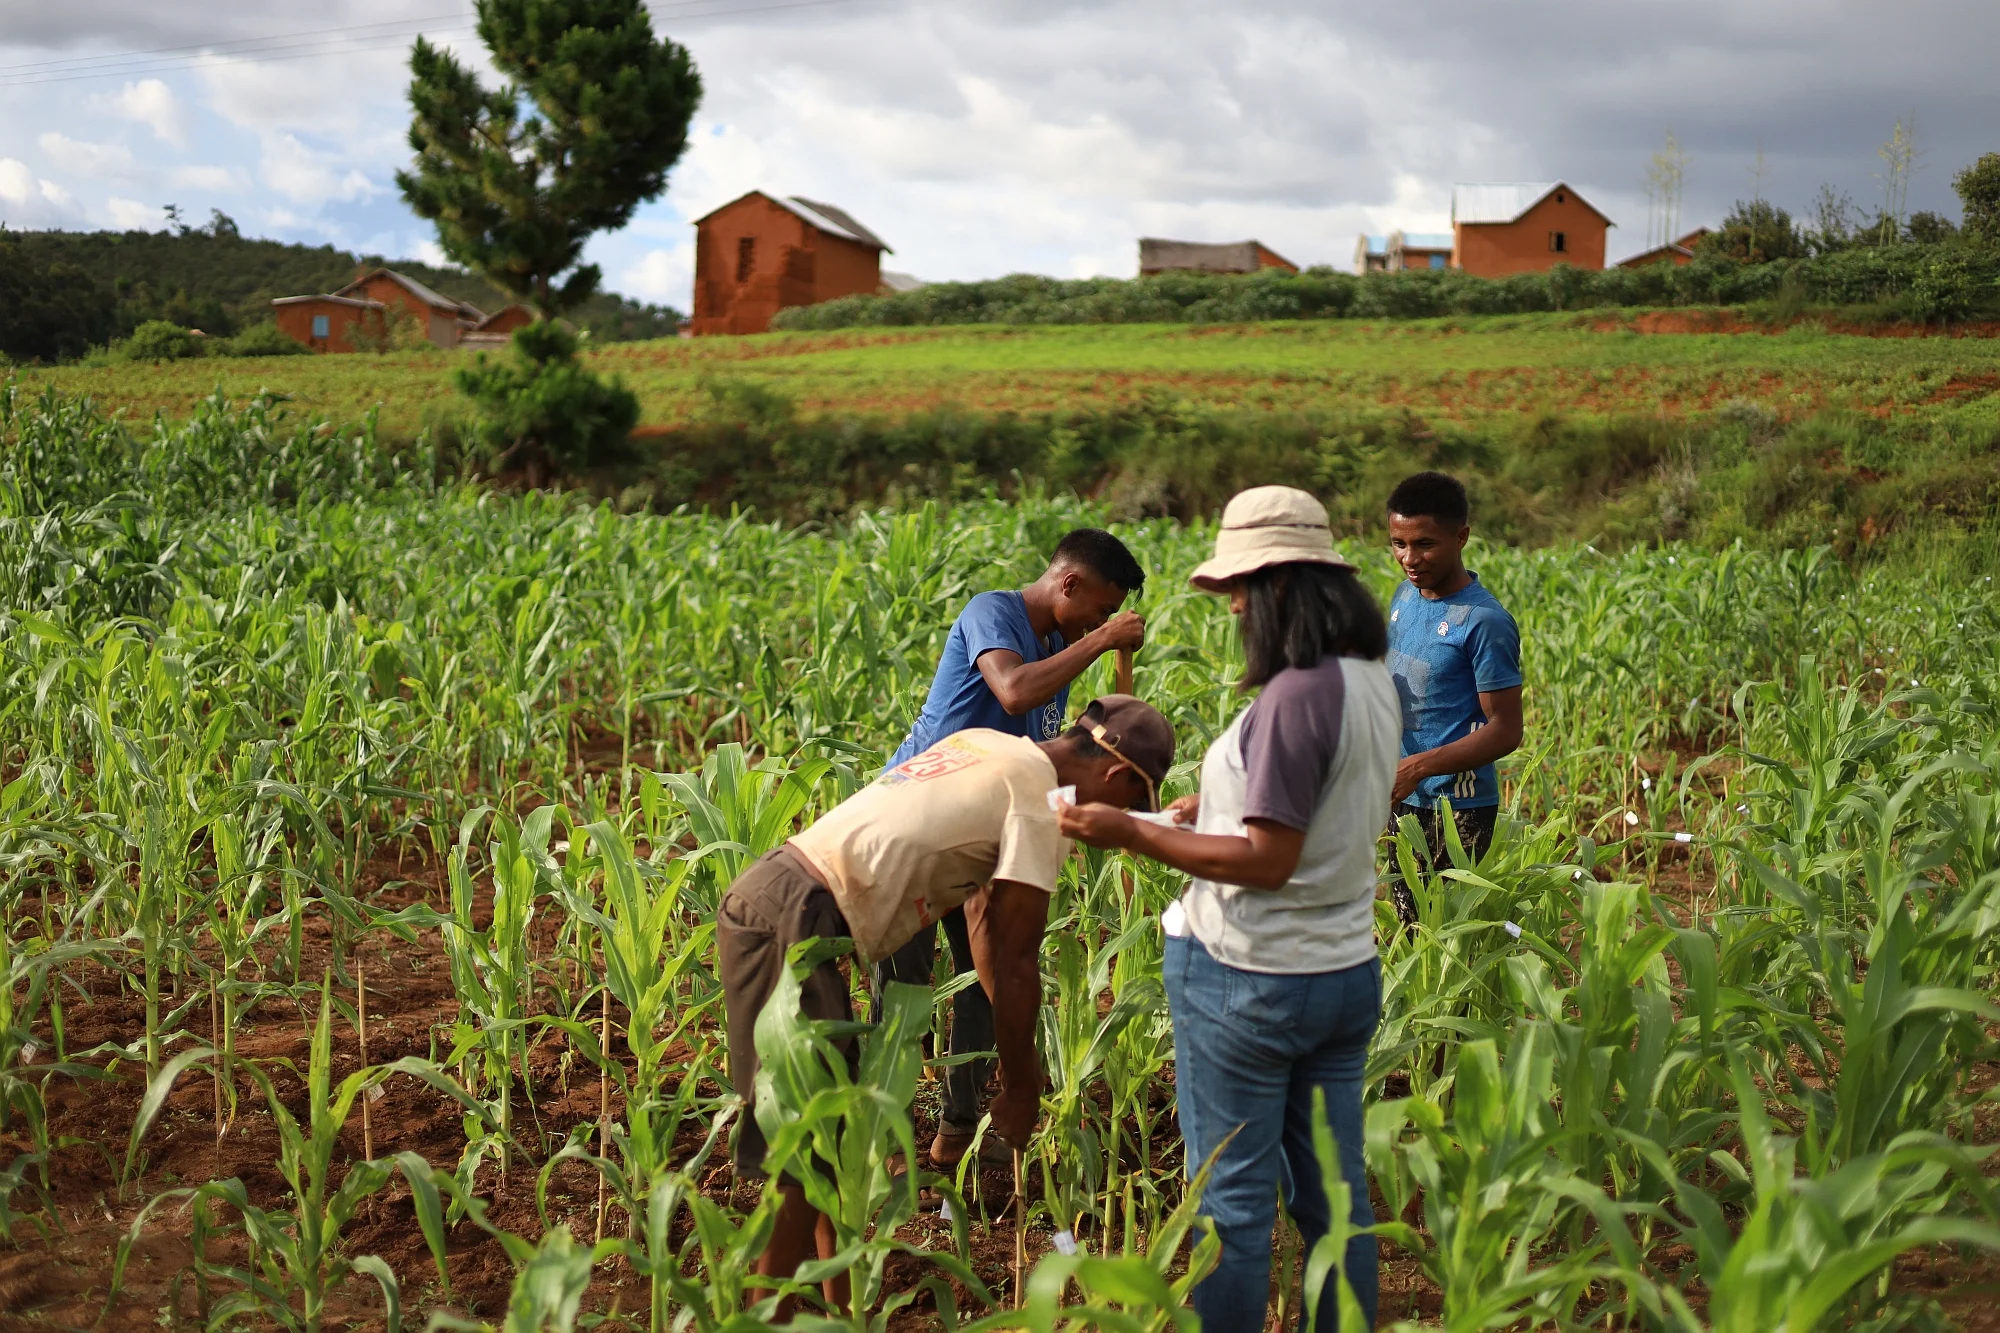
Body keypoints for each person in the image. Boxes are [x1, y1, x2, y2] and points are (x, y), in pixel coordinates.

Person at [1058, 486, 1399, 1333]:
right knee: (1337, 1198)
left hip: (1250, 977)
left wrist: (1125, 832)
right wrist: (1201, 814)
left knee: (1234, 1205)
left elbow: (1268, 859)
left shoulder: (1295, 695)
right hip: (1342, 970)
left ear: (1284, 585)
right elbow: (1321, 812)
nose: (1237, 606)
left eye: (1243, 589)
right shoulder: (1372, 681)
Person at [718, 696, 1174, 1304]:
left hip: (782, 898)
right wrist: (1018, 1088)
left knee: (832, 1141)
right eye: (1129, 804)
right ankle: (762, 1316)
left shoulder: (991, 745)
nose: (1117, 821)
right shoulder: (1040, 802)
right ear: (1115, 776)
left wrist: (1024, 1061)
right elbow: (1015, 962)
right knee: (805, 1156)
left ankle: (843, 1309)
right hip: (796, 920)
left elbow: (984, 922)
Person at [879, 529, 1147, 1169]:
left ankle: (958, 1131)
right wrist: (1101, 642)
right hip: (914, 825)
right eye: (1100, 609)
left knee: (983, 981)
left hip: (979, 834)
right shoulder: (992, 612)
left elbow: (1046, 753)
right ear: (1068, 584)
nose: (1101, 622)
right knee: (904, 996)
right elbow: (1014, 691)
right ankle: (884, 1147)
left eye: (1110, 618)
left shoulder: (1057, 645)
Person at [1382, 472, 1523, 926]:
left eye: (1424, 543)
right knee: (1406, 936)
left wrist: (1419, 766)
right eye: (1398, 543)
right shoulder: (1406, 596)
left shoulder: (1484, 621)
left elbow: (1506, 729)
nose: (1410, 558)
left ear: (1461, 536)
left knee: (1446, 948)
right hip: (1400, 795)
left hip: (1455, 810)